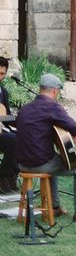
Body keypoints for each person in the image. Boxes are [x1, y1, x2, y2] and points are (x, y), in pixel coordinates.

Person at [15, 74, 76, 222]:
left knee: (52, 159)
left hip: (22, 164)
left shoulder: (25, 109)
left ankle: (55, 207)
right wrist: (71, 145)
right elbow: (74, 127)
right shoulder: (52, 107)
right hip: (40, 165)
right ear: (55, 91)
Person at [0, 56, 18, 193]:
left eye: (2, 74)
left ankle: (13, 174)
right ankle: (3, 176)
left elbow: (7, 117)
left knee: (23, 136)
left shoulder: (3, 92)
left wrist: (22, 119)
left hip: (3, 131)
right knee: (13, 140)